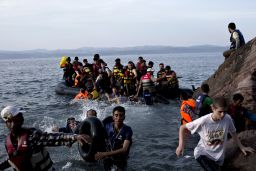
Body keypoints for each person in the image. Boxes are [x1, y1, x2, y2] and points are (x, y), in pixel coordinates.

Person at [0, 105, 90, 171]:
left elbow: (54, 137)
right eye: (19, 116)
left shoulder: (29, 135)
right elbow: (13, 159)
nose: (22, 118)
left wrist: (74, 137)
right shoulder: (14, 140)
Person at [176, 97, 255, 171]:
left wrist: (242, 147)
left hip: (218, 157)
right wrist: (181, 145)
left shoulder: (227, 119)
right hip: (202, 153)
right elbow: (182, 127)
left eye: (225, 111)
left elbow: (233, 133)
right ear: (213, 108)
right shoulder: (204, 121)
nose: (222, 115)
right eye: (220, 112)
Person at [95, 106, 133, 171]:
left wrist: (105, 154)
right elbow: (97, 137)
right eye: (116, 115)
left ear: (124, 117)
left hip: (121, 158)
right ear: (113, 117)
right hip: (108, 158)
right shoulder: (107, 126)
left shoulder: (127, 130)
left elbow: (124, 149)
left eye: (121, 115)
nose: (118, 118)